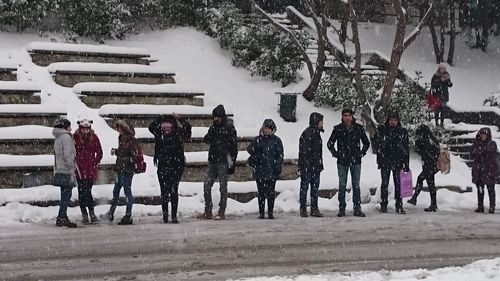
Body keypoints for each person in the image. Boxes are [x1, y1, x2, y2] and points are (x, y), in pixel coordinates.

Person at [149, 114, 191, 223]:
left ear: (172, 126)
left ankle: (173, 216)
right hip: (163, 165)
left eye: (168, 126)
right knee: (164, 192)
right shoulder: (159, 134)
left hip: (176, 166)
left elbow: (188, 127)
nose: (166, 129)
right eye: (164, 126)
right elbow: (151, 127)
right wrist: (159, 118)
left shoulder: (177, 134)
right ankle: (165, 216)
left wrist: (179, 118)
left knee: (173, 191)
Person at [327, 109, 370, 217]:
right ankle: (342, 208)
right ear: (342, 117)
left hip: (356, 160)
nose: (347, 117)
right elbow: (330, 143)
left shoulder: (358, 128)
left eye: (349, 115)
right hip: (342, 161)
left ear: (352, 117)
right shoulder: (338, 129)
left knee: (356, 185)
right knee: (342, 185)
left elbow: (366, 143)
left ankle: (357, 208)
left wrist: (361, 153)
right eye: (345, 115)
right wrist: (336, 153)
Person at [198, 105, 238, 220]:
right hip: (213, 160)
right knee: (207, 185)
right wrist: (213, 131)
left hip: (223, 161)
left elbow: (234, 147)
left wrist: (232, 163)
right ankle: (208, 210)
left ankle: (222, 210)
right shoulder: (213, 128)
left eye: (217, 117)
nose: (215, 119)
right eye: (214, 118)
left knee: (223, 187)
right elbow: (207, 139)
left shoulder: (229, 128)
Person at [101, 120, 139, 225]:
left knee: (127, 193)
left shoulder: (131, 140)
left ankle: (128, 215)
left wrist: (122, 159)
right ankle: (111, 213)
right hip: (120, 169)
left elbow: (133, 157)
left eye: (119, 128)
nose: (117, 130)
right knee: (116, 192)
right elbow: (124, 153)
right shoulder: (122, 138)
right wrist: (116, 152)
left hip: (127, 170)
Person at [372, 111, 410, 214]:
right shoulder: (382, 130)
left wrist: (406, 164)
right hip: (385, 160)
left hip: (397, 161)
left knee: (398, 184)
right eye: (391, 120)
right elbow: (374, 142)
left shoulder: (402, 132)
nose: (392, 122)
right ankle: (384, 204)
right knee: (384, 183)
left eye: (394, 120)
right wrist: (380, 149)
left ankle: (399, 204)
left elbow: (406, 149)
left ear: (398, 121)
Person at [247, 119, 284, 219]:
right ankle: (261, 212)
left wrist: (278, 168)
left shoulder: (277, 141)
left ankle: (270, 212)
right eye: (266, 128)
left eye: (269, 129)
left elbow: (280, 156)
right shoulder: (258, 139)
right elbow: (249, 149)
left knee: (271, 193)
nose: (267, 131)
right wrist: (257, 148)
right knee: (261, 193)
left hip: (272, 171)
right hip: (260, 170)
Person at [74, 119, 103, 224]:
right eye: (83, 129)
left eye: (87, 129)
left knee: (88, 192)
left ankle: (91, 212)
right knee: (81, 192)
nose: (85, 131)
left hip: (90, 169)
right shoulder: (75, 137)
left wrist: (94, 162)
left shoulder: (94, 138)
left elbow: (99, 152)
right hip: (79, 170)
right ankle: (84, 214)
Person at [407, 125, 440, 212]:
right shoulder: (432, 140)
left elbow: (422, 151)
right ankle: (432, 203)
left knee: (427, 182)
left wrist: (418, 146)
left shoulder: (423, 141)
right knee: (429, 183)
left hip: (428, 165)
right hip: (432, 165)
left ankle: (430, 203)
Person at [52, 117, 77, 228]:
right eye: (69, 126)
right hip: (66, 170)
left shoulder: (58, 137)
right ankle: (62, 217)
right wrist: (71, 165)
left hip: (60, 169)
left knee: (64, 194)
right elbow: (67, 154)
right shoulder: (66, 137)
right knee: (66, 195)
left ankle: (62, 216)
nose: (71, 128)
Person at [298, 112, 325, 218]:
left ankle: (313, 208)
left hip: (314, 166)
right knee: (306, 187)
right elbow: (304, 152)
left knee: (314, 188)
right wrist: (307, 164)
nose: (322, 123)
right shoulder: (308, 133)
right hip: (308, 166)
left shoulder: (315, 133)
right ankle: (304, 208)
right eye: (321, 121)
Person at [470, 127, 497, 214]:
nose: (482, 136)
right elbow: (473, 154)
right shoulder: (476, 144)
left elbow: (490, 153)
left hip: (489, 169)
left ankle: (492, 206)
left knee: (490, 189)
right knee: (480, 189)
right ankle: (480, 206)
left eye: (484, 135)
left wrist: (481, 152)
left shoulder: (492, 143)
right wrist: (481, 152)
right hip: (479, 170)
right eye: (481, 135)